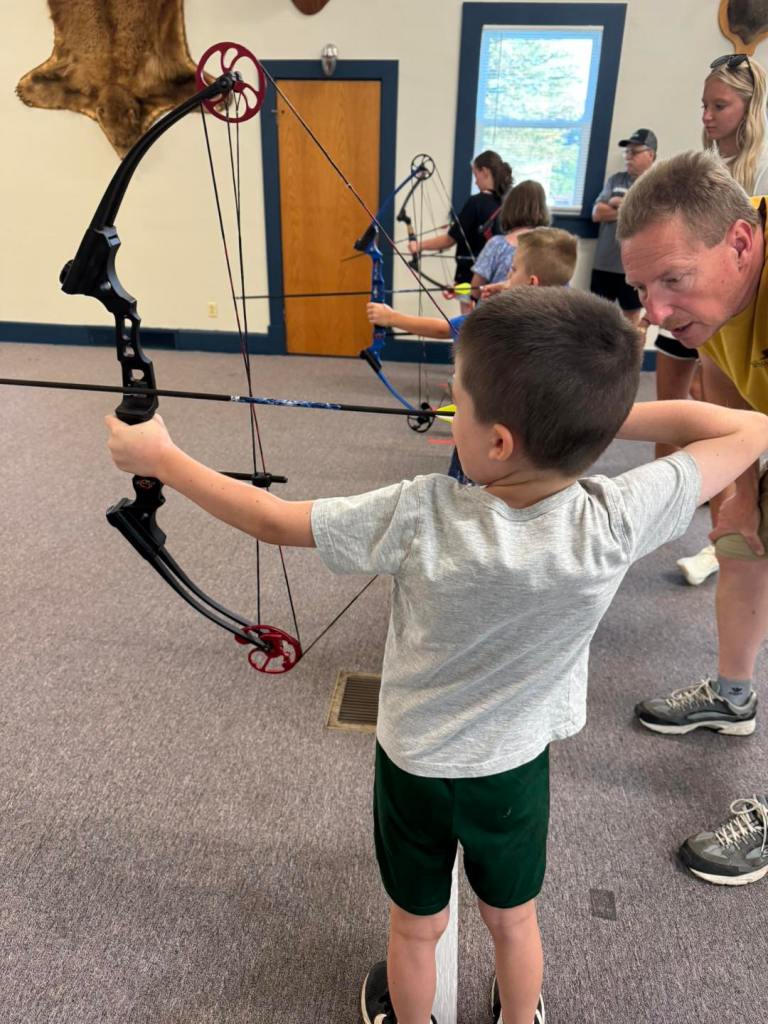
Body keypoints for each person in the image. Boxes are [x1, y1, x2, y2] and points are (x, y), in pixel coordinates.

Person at [106, 287, 768, 1021]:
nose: (451, 410)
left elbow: (269, 520)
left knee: (414, 928)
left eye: (461, 400)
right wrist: (594, 419)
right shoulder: (615, 517)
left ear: (498, 442)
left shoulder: (422, 512)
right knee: (513, 919)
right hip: (513, 767)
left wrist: (160, 457)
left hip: (416, 766)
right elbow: (746, 428)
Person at [618, 148, 768, 886]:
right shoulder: (724, 308)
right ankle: (733, 697)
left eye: (674, 279)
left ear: (740, 242)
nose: (658, 310)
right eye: (645, 286)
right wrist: (735, 488)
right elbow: (720, 384)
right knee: (742, 542)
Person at [367, 227, 578, 485]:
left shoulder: (500, 320)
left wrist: (390, 317)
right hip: (539, 435)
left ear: (532, 282)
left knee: (466, 489)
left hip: (487, 431)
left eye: (512, 270)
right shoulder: (570, 316)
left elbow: (443, 327)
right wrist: (509, 286)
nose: (508, 275)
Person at [668, 53, 768, 588]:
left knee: (740, 416)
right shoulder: (705, 169)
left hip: (747, 319)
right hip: (710, 318)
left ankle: (732, 528)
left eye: (720, 105)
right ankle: (717, 512)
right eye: (703, 105)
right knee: (705, 406)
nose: (707, 116)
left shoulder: (762, 170)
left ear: (749, 109)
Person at [408, 150, 512, 313]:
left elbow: (449, 240)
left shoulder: (476, 202)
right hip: (498, 280)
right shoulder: (507, 203)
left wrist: (418, 246)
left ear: (484, 172)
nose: (476, 182)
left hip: (470, 279)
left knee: (466, 326)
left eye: (476, 175)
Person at [590, 128, 658, 326]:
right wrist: (634, 209)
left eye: (634, 152)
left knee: (631, 323)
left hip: (634, 269)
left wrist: (619, 202)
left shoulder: (657, 184)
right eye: (627, 152)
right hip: (604, 264)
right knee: (596, 319)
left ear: (650, 154)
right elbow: (597, 214)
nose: (629, 157)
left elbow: (652, 219)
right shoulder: (616, 180)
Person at [469, 180, 550, 298]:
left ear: (509, 209)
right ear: (542, 209)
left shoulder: (496, 244)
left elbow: (475, 291)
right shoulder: (552, 247)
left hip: (494, 314)